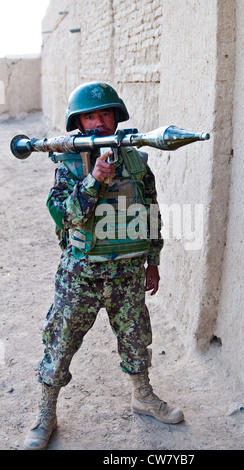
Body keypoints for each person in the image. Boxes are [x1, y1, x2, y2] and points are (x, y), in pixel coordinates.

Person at [24, 82, 184, 451]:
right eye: (90, 116)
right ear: (78, 123)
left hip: (127, 272)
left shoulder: (136, 162)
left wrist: (153, 262)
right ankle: (45, 414)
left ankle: (143, 396)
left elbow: (151, 213)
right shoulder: (68, 163)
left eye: (105, 113)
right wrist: (93, 179)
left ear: (117, 118)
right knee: (61, 341)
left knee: (135, 338)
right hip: (82, 274)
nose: (98, 121)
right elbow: (68, 217)